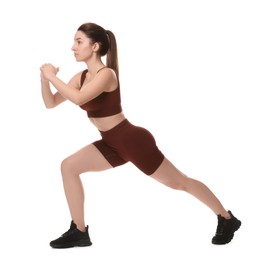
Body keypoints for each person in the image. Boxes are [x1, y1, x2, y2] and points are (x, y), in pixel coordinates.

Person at [40, 22, 241, 249]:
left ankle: (227, 218)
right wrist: (44, 79)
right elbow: (51, 103)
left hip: (131, 140)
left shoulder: (107, 74)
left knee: (180, 183)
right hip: (110, 142)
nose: (73, 47)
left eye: (78, 42)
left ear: (95, 46)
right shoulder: (81, 76)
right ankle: (79, 231)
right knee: (69, 166)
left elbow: (79, 99)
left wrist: (52, 76)